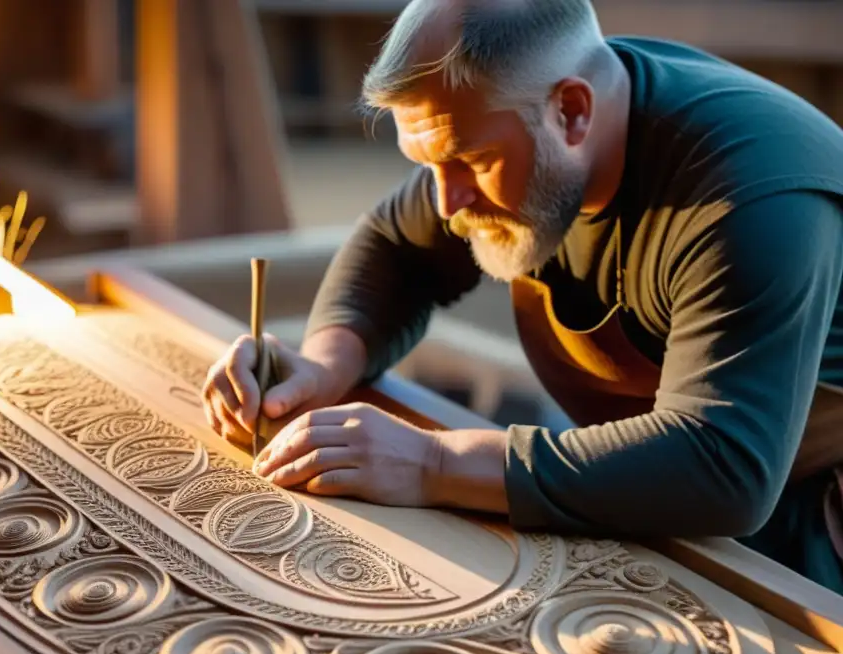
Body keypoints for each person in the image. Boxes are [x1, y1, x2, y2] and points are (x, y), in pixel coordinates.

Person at [201, 0, 843, 593]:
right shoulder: (516, 117)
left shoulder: (753, 200)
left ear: (572, 112)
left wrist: (433, 461)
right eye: (428, 166)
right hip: (643, 460)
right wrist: (322, 365)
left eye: (470, 161)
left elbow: (722, 466)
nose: (447, 203)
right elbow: (397, 246)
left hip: (805, 522)